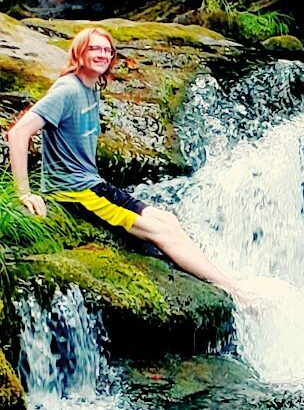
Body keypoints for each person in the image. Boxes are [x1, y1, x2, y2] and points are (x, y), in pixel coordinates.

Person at [7, 27, 242, 297]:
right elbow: (18, 132)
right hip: (74, 192)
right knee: (160, 233)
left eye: (107, 50)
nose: (103, 55)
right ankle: (233, 291)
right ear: (79, 53)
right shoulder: (67, 90)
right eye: (95, 48)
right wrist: (25, 193)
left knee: (167, 220)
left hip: (93, 185)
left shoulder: (91, 86)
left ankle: (224, 279)